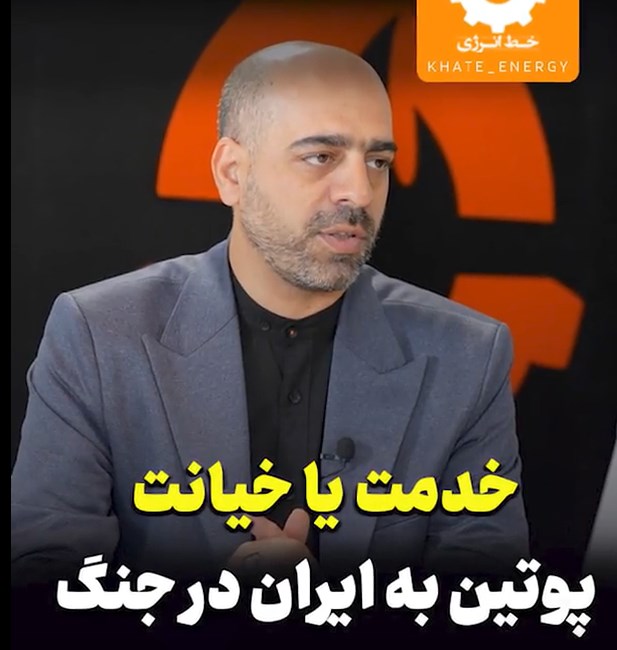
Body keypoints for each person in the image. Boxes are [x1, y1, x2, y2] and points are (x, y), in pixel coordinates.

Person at [11, 41, 529, 588]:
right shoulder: (97, 335)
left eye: (378, 161)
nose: (360, 192)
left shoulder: (467, 356)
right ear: (232, 172)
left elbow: (487, 594)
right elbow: (41, 582)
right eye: (321, 156)